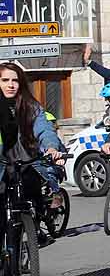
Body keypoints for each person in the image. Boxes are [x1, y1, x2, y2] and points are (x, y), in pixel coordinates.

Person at [0, 62, 67, 234]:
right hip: (2, 164)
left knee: (33, 192)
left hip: (27, 162)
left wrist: (51, 148)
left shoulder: (31, 106)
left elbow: (44, 129)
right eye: (5, 80)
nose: (10, 85)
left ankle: (35, 228)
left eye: (15, 80)